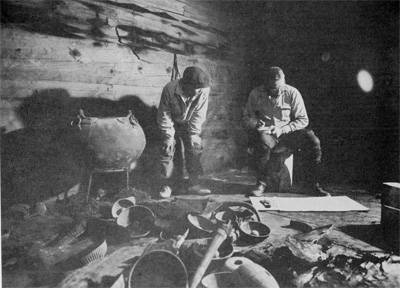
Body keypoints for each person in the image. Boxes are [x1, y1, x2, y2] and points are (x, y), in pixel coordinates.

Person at [243, 66, 330, 197]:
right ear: (265, 84)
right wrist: (256, 123)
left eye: (279, 88)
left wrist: (283, 129)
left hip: (287, 133)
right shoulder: (256, 94)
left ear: (284, 81)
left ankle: (312, 185)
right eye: (272, 89)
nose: (276, 92)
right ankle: (261, 183)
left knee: (313, 141)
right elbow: (246, 117)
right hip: (267, 133)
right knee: (262, 142)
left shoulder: (292, 93)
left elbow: (303, 119)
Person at [157, 66, 212, 198]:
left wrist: (194, 134)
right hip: (171, 121)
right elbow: (164, 114)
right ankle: (167, 185)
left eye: (200, 89)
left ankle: (194, 184)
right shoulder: (170, 89)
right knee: (168, 147)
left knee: (195, 147)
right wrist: (168, 135)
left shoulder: (203, 90)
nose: (198, 92)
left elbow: (199, 113)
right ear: (185, 84)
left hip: (188, 122)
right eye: (194, 89)